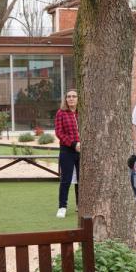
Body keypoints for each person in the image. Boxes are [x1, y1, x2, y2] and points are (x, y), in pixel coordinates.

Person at [54, 89, 80, 219]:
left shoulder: (82, 113)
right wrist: (74, 144)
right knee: (66, 179)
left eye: (74, 96)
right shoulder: (61, 113)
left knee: (82, 179)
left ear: (78, 98)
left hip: (82, 151)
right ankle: (62, 206)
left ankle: (80, 205)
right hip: (67, 150)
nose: (71, 99)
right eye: (68, 96)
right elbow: (59, 133)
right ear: (66, 99)